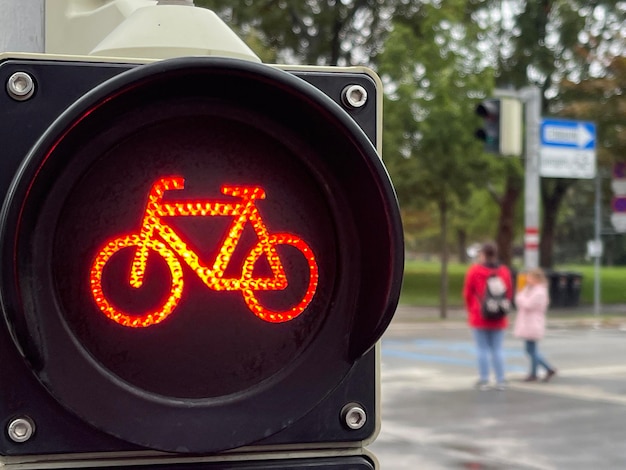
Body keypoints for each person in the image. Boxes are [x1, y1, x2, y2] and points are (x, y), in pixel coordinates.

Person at [463, 242, 513, 391]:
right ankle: (500, 380)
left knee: (482, 349)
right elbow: (509, 292)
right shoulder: (504, 271)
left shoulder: (474, 271)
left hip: (479, 315)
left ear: (482, 254)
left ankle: (484, 379)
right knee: (497, 349)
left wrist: (472, 309)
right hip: (498, 315)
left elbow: (467, 293)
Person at [513, 268, 557, 382]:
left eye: (530, 278)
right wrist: (522, 294)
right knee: (531, 350)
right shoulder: (530, 289)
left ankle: (546, 369)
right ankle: (535, 372)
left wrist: (519, 296)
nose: (527, 280)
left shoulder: (539, 292)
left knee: (530, 350)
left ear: (536, 279)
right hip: (528, 322)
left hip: (532, 323)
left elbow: (527, 304)